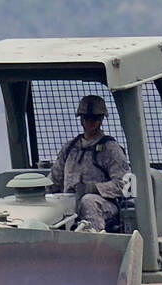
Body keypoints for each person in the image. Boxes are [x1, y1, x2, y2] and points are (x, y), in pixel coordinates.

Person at [49, 94, 130, 232]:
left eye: (94, 118)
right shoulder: (70, 148)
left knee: (88, 201)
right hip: (69, 203)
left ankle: (94, 244)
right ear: (81, 118)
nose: (89, 122)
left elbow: (124, 184)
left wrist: (93, 189)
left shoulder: (110, 149)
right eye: (86, 117)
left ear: (101, 119)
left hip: (103, 204)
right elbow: (54, 180)